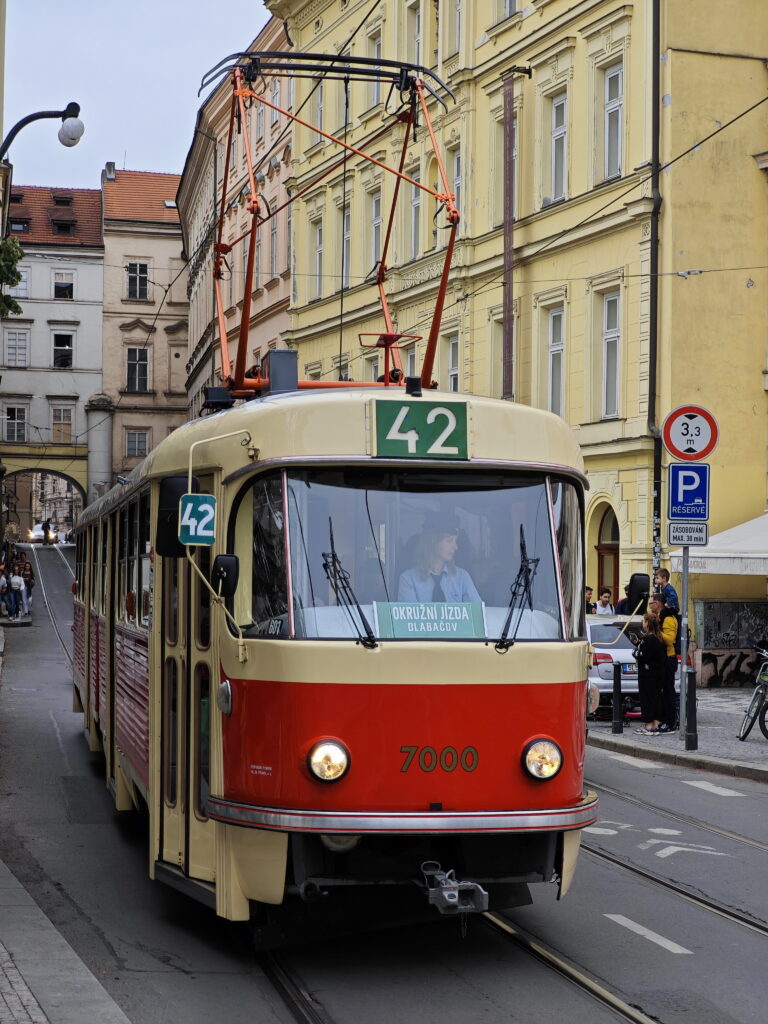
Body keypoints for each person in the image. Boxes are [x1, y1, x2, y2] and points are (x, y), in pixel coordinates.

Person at [398, 517, 481, 603]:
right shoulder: (408, 579)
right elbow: (408, 615)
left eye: (455, 541)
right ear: (432, 542)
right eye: (449, 541)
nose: (455, 547)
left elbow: (477, 613)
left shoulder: (462, 577)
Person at [648, 591, 679, 731]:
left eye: (651, 603)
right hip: (661, 659)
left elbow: (670, 639)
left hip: (668, 659)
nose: (649, 606)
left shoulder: (668, 618)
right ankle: (663, 720)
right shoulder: (659, 616)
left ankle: (671, 722)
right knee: (661, 692)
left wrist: (655, 633)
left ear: (657, 604)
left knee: (668, 692)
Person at [633, 613, 667, 735]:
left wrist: (636, 652)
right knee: (656, 698)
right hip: (657, 673)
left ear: (647, 623)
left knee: (647, 699)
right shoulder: (659, 638)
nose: (643, 623)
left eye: (644, 621)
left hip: (648, 674)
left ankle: (648, 725)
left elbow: (644, 656)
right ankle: (655, 723)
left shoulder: (649, 639)